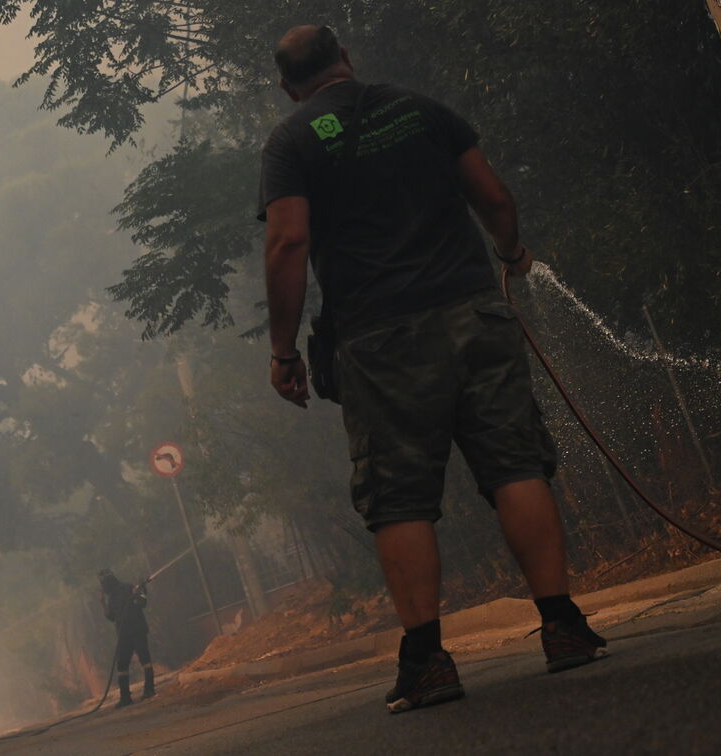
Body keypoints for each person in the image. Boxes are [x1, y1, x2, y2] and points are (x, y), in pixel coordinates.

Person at [259, 24, 607, 714]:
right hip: (474, 313)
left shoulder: (291, 141)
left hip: (381, 340)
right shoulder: (422, 109)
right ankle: (563, 626)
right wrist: (509, 259)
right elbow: (495, 200)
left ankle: (427, 662)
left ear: (288, 86)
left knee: (399, 498)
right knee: (515, 466)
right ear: (347, 59)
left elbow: (288, 241)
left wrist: (283, 350)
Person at [98, 568, 154, 707]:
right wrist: (102, 602)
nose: (102, 588)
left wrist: (139, 592)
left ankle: (149, 690)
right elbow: (111, 617)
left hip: (137, 631)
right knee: (122, 665)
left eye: (103, 584)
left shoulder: (129, 588)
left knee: (145, 660)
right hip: (124, 635)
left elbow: (142, 603)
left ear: (108, 583)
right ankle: (125, 698)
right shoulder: (111, 598)